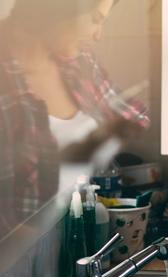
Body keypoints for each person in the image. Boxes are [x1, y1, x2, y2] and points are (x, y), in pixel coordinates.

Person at [0, 0, 149, 240]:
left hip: (59, 246)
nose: (98, 36)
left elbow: (134, 116)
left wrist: (87, 147)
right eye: (95, 20)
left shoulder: (77, 62)